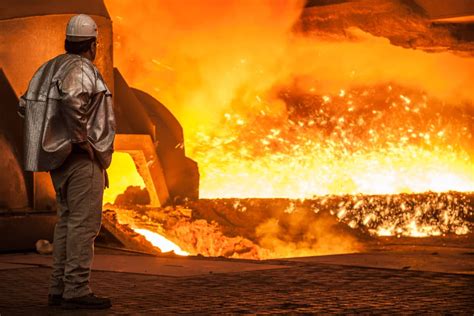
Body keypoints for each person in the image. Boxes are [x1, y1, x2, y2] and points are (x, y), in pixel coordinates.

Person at [18, 14, 115, 310]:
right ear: (93, 44)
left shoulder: (49, 68)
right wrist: (79, 140)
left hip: (59, 161)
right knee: (84, 226)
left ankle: (58, 288)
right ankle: (76, 289)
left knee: (67, 223)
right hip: (80, 160)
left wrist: (53, 138)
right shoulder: (82, 68)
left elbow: (25, 105)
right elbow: (73, 100)